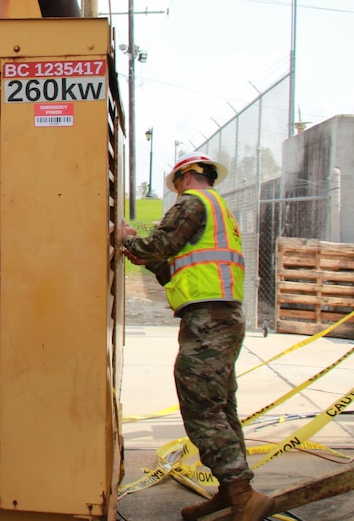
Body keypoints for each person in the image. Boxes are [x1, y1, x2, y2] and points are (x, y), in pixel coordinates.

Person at [121, 152, 274, 521]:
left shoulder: (194, 202)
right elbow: (170, 267)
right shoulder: (219, 212)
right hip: (221, 317)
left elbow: (158, 246)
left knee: (201, 405)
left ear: (187, 176)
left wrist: (125, 237)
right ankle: (231, 491)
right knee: (222, 406)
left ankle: (242, 492)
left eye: (176, 185)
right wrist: (138, 252)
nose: (176, 193)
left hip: (208, 319)